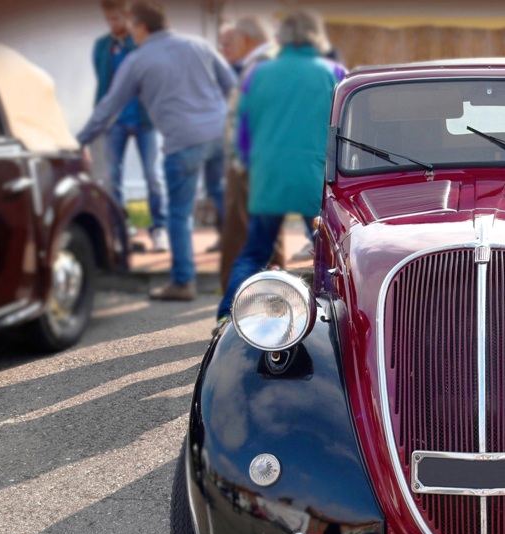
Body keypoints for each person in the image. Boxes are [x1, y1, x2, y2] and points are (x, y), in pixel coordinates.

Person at [76, 1, 234, 301]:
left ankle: (183, 282)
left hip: (183, 142)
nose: (131, 31)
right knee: (224, 197)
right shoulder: (199, 44)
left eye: (133, 26)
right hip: (218, 135)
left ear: (141, 26)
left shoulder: (138, 59)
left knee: (179, 213)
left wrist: (80, 140)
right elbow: (231, 84)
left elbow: (109, 105)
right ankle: (246, 273)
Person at [216, 9, 343, 324]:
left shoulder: (257, 74)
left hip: (267, 176)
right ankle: (329, 319)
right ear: (316, 36)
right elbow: (344, 126)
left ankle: (226, 317)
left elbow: (243, 130)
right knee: (328, 254)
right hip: (312, 176)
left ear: (282, 38)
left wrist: (248, 164)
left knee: (253, 253)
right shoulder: (335, 72)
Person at [92, 0, 167, 253]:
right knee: (113, 178)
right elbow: (103, 84)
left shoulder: (143, 43)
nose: (113, 24)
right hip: (115, 122)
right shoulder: (102, 46)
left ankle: (159, 230)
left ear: (128, 16)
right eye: (108, 19)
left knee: (153, 177)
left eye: (117, 19)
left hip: (145, 120)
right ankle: (119, 229)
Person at [215, 17, 276, 282]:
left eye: (230, 41)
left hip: (251, 159)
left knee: (239, 228)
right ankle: (272, 287)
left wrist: (239, 158)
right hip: (263, 157)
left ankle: (233, 295)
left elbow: (250, 115)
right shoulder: (269, 60)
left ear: (245, 38)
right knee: (265, 226)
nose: (224, 48)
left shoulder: (260, 64)